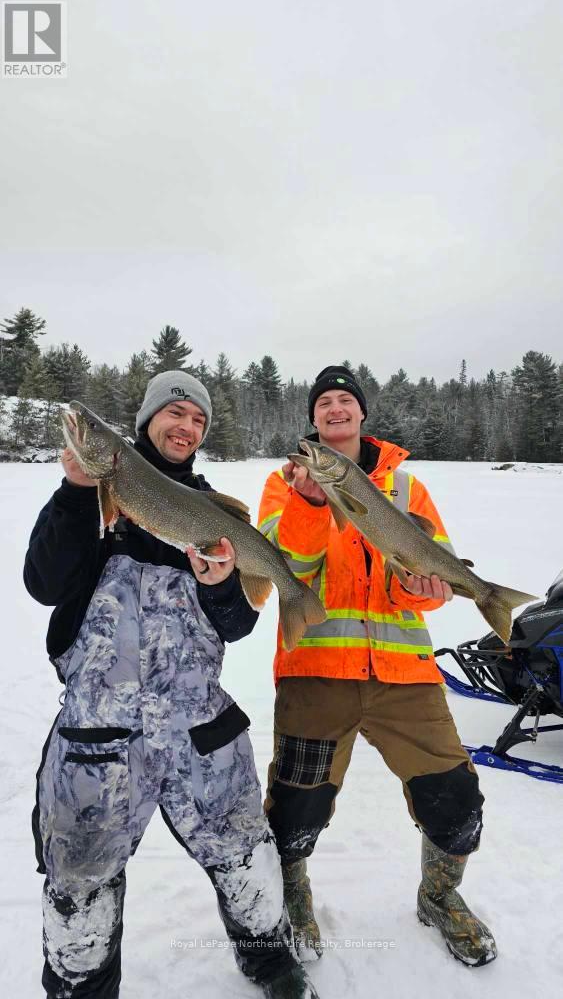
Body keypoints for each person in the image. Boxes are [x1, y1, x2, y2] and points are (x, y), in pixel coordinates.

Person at [25, 371, 320, 999]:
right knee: (80, 874)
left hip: (200, 728)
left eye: (199, 421)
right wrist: (77, 491)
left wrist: (219, 584)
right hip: (98, 734)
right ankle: (82, 986)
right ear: (146, 419)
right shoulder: (94, 498)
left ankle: (272, 963)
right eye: (175, 413)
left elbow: (236, 625)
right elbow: (44, 584)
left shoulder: (211, 510)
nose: (186, 427)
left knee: (246, 851)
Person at [258, 365, 497, 968]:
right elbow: (285, 572)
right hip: (316, 673)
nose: (335, 409)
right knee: (295, 806)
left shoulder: (408, 488)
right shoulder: (283, 482)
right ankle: (294, 896)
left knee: (456, 798)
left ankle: (440, 897)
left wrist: (427, 588)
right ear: (313, 418)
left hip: (405, 679)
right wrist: (310, 506)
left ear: (362, 413)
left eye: (345, 400)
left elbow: (425, 578)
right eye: (323, 403)